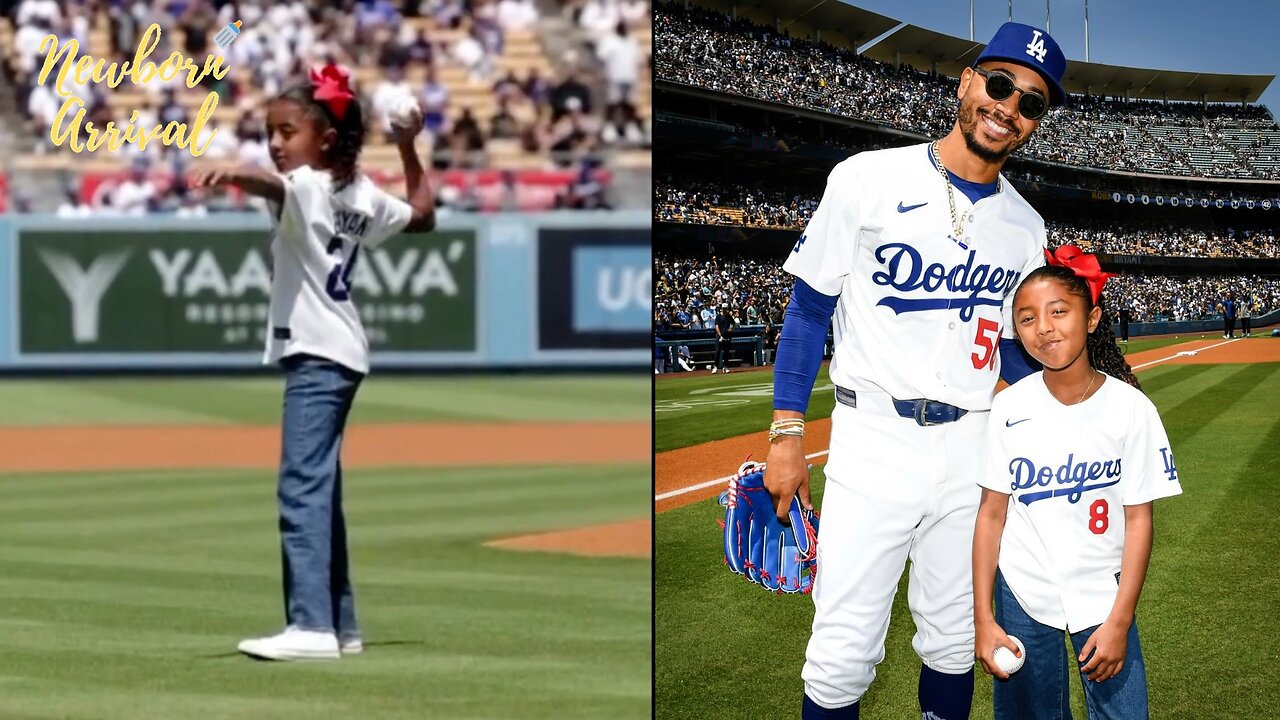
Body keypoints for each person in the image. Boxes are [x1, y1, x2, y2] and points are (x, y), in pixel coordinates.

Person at [762, 22, 1067, 720]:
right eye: (999, 85)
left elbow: (1016, 354)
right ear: (967, 83)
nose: (1008, 108)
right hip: (875, 440)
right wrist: (786, 432)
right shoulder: (867, 177)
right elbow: (809, 311)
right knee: (842, 653)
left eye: (1030, 103)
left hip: (972, 446)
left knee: (955, 640)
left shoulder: (1026, 226)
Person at [196, 64, 436, 661]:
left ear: (325, 138)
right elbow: (424, 216)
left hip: (318, 352)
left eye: (287, 131)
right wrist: (408, 148)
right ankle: (341, 624)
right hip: (342, 349)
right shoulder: (358, 195)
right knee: (319, 489)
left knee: (300, 487)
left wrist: (236, 174)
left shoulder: (305, 184)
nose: (276, 143)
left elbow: (275, 186)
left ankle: (310, 627)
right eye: (269, 133)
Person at [973, 246, 1182, 719]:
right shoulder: (1006, 408)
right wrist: (983, 619)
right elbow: (991, 515)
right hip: (1023, 590)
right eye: (1026, 319)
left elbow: (1139, 520)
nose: (1043, 327)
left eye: (1058, 311)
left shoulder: (1131, 409)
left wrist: (1122, 619)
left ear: (1091, 319)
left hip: (1103, 595)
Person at [714, 304, 735, 373]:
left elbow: (733, 324)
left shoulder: (729, 316)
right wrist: (720, 335)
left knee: (726, 352)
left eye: (725, 308)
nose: (724, 309)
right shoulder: (718, 316)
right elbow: (716, 326)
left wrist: (731, 328)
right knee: (718, 351)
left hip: (727, 336)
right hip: (719, 336)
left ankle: (725, 366)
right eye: (723, 308)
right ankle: (715, 367)